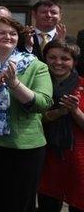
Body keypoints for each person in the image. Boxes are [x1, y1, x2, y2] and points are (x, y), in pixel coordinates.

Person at [0, 16, 53, 212]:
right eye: (2, 32)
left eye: (12, 33)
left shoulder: (36, 65)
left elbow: (43, 103)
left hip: (23, 147)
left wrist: (15, 85)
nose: (8, 36)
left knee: (18, 203)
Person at [37, 40, 84, 212]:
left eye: (65, 59)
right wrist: (58, 113)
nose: (58, 63)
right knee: (47, 205)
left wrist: (75, 111)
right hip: (47, 157)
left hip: (77, 158)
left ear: (74, 62)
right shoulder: (38, 83)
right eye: (52, 57)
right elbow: (32, 119)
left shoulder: (82, 85)